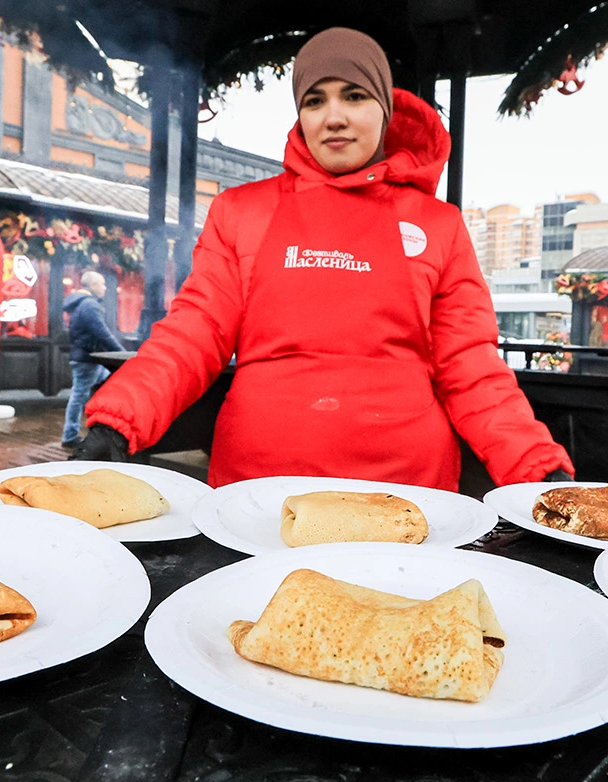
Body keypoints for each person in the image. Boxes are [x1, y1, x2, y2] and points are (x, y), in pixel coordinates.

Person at [75, 27, 573, 489]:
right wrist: (120, 420)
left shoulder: (437, 225)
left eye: (354, 96)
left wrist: (536, 467)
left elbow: (470, 365)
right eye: (314, 101)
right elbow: (192, 334)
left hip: (405, 490)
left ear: (384, 107)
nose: (333, 116)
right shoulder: (241, 212)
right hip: (259, 487)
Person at [59, 270, 124, 448]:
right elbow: (102, 333)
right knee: (79, 395)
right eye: (102, 284)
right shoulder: (89, 305)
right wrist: (122, 354)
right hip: (88, 360)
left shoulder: (80, 304)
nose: (105, 288)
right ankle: (70, 435)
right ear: (93, 285)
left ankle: (100, 425)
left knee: (102, 387)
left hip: (87, 358)